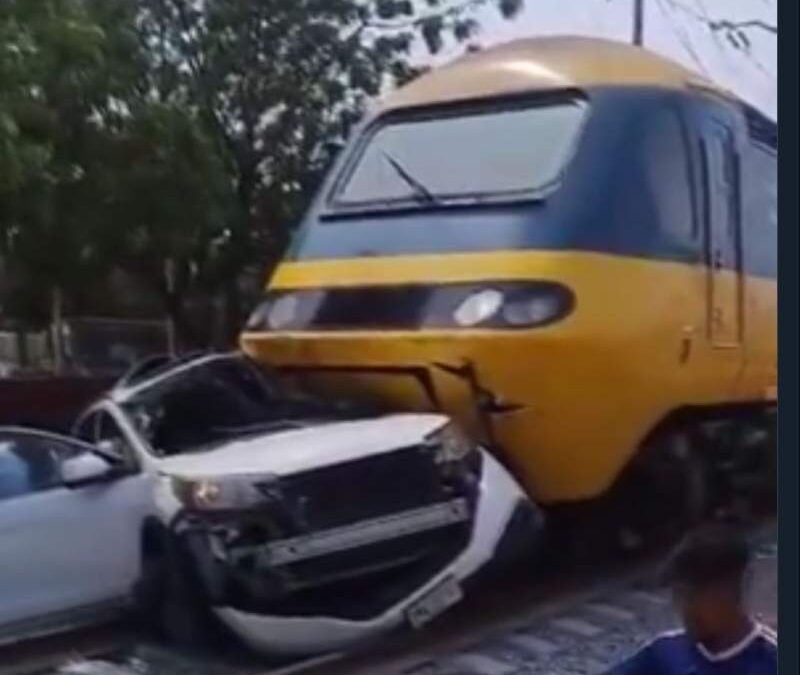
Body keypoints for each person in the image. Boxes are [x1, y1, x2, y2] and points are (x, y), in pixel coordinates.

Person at [605, 525, 777, 674]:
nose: (684, 608)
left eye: (692, 595)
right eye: (678, 595)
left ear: (729, 592)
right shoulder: (665, 652)